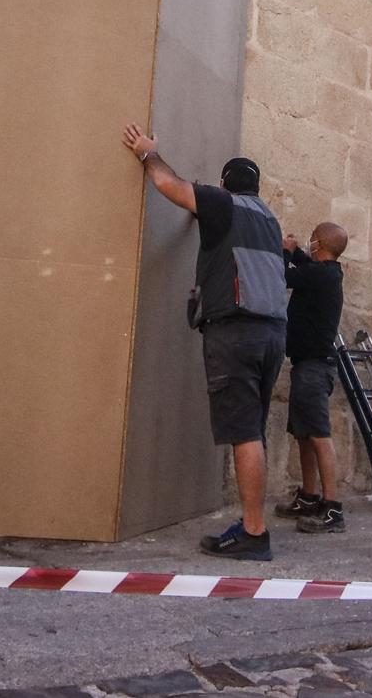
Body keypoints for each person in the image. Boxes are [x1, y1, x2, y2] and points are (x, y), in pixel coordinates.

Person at [122, 123, 287, 561]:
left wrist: (147, 154)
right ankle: (255, 523)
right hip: (272, 335)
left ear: (224, 184)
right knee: (253, 430)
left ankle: (254, 533)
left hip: (236, 333)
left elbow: (168, 185)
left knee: (244, 433)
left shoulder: (221, 202)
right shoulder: (268, 219)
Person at [274, 222, 348, 534]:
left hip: (315, 367)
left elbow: (284, 276)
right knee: (303, 433)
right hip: (306, 364)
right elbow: (305, 266)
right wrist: (297, 253)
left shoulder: (321, 275)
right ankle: (308, 495)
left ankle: (332, 508)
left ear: (318, 243)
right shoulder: (326, 272)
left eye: (311, 241)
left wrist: (282, 252)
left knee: (318, 433)